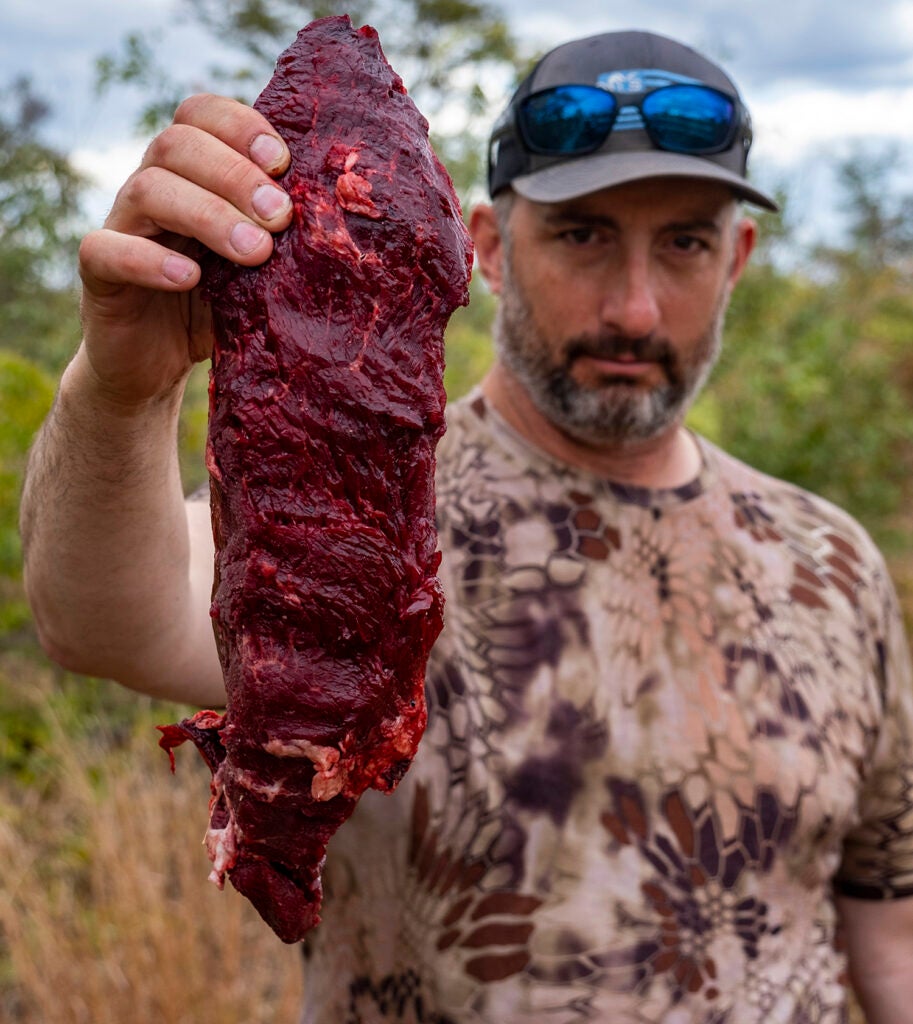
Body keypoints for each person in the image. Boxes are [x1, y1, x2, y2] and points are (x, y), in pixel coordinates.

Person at [20, 27, 913, 1023]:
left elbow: (887, 927)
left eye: (685, 242)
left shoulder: (830, 561)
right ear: (482, 246)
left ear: (737, 257)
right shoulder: (358, 503)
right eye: (581, 235)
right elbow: (100, 621)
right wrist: (121, 390)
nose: (634, 304)